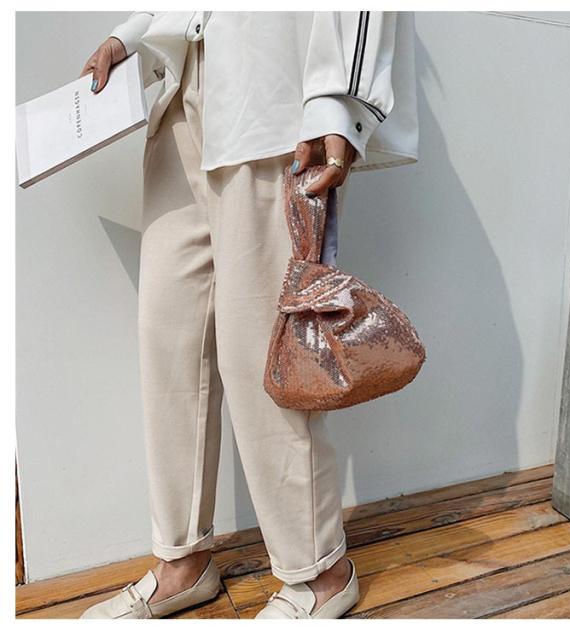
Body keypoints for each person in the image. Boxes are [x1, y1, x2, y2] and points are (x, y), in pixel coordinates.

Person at [78, 11, 418, 620]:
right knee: (169, 338)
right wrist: (129, 37)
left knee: (264, 351)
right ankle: (182, 559)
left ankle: (319, 570)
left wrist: (339, 102)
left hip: (273, 95)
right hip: (183, 88)